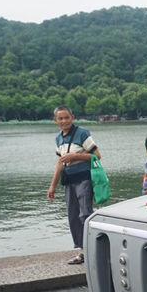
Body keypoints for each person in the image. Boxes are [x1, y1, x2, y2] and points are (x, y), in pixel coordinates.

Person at [47, 106, 100, 265]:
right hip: (69, 181)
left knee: (85, 214)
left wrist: (75, 156)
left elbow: (97, 155)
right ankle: (83, 252)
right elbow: (59, 164)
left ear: (73, 117)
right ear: (55, 120)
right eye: (60, 118)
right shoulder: (58, 138)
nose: (64, 121)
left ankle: (94, 250)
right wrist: (52, 186)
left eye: (66, 117)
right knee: (73, 217)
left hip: (84, 178)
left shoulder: (82, 133)